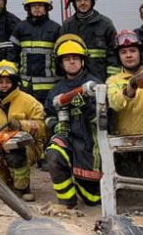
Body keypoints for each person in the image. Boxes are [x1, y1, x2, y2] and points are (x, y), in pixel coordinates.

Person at [0, 61, 47, 201]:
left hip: (25, 147)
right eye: (0, 82)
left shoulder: (29, 102)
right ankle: (6, 178)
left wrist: (22, 125)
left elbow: (42, 127)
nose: (4, 86)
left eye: (7, 82)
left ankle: (22, 188)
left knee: (16, 154)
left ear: (15, 82)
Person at [43, 36, 102, 209]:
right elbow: (47, 115)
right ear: (61, 64)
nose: (72, 62)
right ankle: (67, 202)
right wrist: (55, 125)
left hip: (90, 143)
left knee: (92, 199)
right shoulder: (57, 90)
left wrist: (86, 107)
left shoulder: (95, 85)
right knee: (53, 154)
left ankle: (80, 183)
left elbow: (104, 119)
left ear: (82, 61)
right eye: (67, 59)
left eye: (75, 58)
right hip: (68, 139)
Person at [10, 0, 61, 104]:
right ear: (28, 8)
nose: (37, 8)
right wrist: (14, 80)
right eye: (33, 5)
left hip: (49, 88)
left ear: (46, 8)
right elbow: (12, 55)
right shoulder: (20, 28)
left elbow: (60, 59)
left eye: (40, 5)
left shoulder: (56, 29)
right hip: (26, 87)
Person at [61, 0, 119, 82]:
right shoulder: (68, 25)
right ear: (74, 3)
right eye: (79, 0)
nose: (82, 3)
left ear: (92, 1)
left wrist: (111, 81)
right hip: (74, 82)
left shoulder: (105, 24)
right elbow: (61, 56)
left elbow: (114, 55)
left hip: (100, 81)